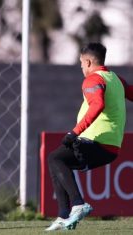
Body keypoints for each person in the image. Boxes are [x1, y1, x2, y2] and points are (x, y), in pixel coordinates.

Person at [45, 42, 133, 231]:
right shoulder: (116, 79)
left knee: (55, 158)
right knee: (57, 159)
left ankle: (78, 204)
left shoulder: (92, 80)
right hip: (111, 148)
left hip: (95, 141)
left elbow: (97, 104)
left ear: (88, 62)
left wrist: (74, 132)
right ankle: (62, 215)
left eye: (81, 63)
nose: (81, 67)